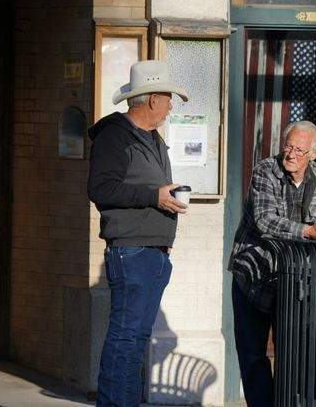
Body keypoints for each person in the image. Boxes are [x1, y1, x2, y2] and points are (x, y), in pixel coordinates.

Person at [228, 120, 316, 406]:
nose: (291, 154)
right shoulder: (265, 171)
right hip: (254, 275)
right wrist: (309, 231)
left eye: (299, 149)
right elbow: (265, 221)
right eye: (288, 146)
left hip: (295, 281)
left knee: (293, 353)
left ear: (314, 154)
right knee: (253, 355)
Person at [88, 60, 190, 407]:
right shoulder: (115, 136)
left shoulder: (153, 138)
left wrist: (165, 206)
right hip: (132, 252)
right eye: (167, 97)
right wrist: (155, 195)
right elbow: (101, 189)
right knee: (125, 341)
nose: (171, 104)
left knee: (134, 342)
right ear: (150, 100)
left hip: (153, 253)